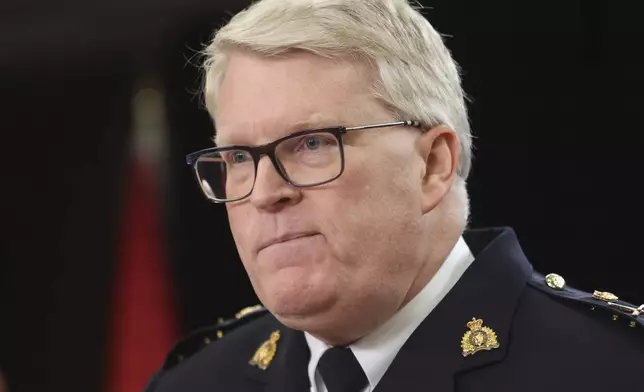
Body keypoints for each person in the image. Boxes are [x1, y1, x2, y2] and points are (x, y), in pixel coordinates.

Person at [144, 0, 644, 391]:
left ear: (432, 166)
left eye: (312, 144)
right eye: (238, 158)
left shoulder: (612, 372)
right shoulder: (196, 383)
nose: (266, 193)